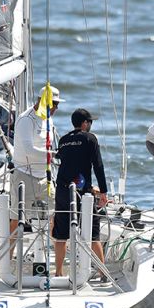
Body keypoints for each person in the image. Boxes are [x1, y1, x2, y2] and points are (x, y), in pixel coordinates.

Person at [52, 108, 109, 280]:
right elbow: (98, 166)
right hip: (82, 193)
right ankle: (102, 272)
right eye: (90, 122)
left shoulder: (63, 140)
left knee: (61, 235)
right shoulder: (90, 139)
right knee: (92, 233)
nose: (90, 125)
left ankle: (58, 272)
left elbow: (62, 161)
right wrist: (104, 191)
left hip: (62, 191)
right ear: (85, 123)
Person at [10, 85, 62, 237]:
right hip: (24, 175)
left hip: (45, 177)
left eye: (57, 104)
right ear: (42, 100)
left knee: (56, 215)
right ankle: (8, 256)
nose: (56, 108)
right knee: (17, 219)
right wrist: (53, 157)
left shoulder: (49, 120)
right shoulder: (26, 120)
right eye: (54, 104)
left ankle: (52, 250)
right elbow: (28, 149)